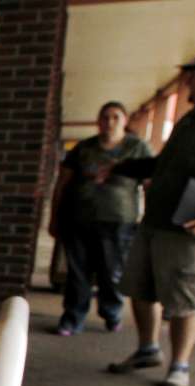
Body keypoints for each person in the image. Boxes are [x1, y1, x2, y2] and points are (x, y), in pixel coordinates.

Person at [104, 46, 195, 386]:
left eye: (192, 76)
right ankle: (148, 349)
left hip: (191, 228)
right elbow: (165, 165)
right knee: (139, 286)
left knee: (183, 298)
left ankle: (180, 366)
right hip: (157, 219)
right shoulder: (191, 119)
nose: (188, 84)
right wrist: (120, 167)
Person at [49, 101, 153, 334]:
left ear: (125, 121)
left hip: (118, 221)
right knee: (77, 272)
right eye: (105, 117)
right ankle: (73, 317)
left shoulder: (137, 149)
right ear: (98, 121)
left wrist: (150, 218)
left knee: (111, 272)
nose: (110, 122)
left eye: (116, 117)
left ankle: (111, 312)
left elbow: (149, 184)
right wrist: (55, 217)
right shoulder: (84, 148)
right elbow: (62, 183)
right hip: (80, 218)